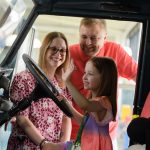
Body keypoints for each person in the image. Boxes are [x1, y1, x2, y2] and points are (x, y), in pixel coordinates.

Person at [69, 17, 138, 148]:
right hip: (74, 133)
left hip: (105, 135)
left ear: (105, 37)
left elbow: (139, 76)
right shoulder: (69, 54)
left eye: (94, 38)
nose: (88, 42)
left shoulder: (115, 51)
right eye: (84, 37)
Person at [7, 32, 72, 150]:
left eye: (63, 50)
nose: (58, 54)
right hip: (27, 146)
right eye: (54, 49)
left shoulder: (63, 84)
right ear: (44, 50)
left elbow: (66, 118)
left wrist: (62, 146)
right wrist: (44, 144)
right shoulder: (24, 79)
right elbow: (22, 119)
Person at [42, 56, 118, 150]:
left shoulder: (104, 102)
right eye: (85, 73)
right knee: (48, 146)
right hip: (80, 145)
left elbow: (84, 105)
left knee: (50, 147)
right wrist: (63, 100)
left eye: (90, 74)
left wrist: (68, 82)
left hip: (92, 146)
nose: (84, 77)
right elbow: (85, 122)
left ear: (105, 78)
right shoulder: (94, 102)